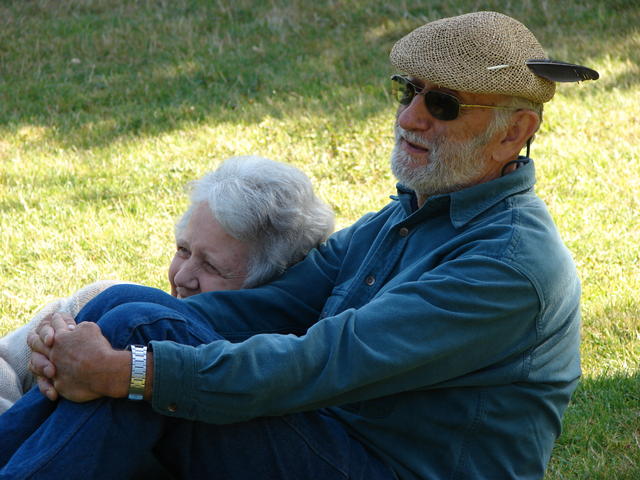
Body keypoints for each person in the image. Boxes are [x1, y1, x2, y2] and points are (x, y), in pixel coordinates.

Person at [0, 11, 597, 480]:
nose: (411, 118)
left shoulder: (508, 265)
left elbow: (323, 360)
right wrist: (102, 338)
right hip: (337, 440)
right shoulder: (410, 214)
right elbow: (268, 306)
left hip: (387, 467)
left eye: (443, 104)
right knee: (128, 308)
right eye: (407, 90)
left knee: (139, 349)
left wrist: (128, 369)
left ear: (515, 132)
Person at [0, 155, 334, 413]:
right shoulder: (97, 303)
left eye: (211, 266)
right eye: (183, 250)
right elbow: (6, 363)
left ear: (270, 286)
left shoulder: (259, 371)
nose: (182, 277)